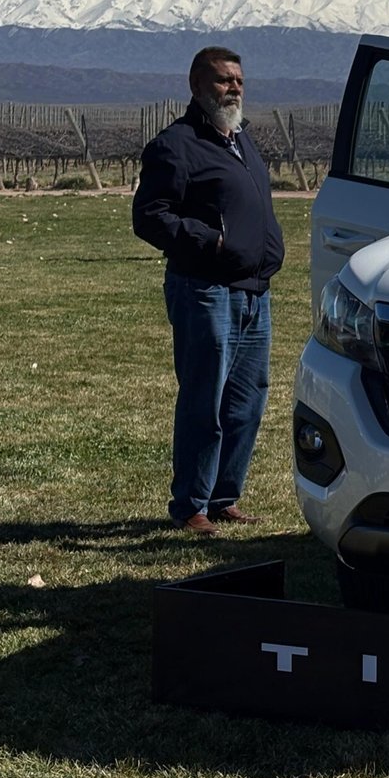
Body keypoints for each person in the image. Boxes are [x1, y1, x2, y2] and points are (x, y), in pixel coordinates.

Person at [133, 47, 284, 535]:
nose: (233, 88)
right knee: (205, 399)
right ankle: (191, 504)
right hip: (205, 289)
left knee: (247, 400)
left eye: (238, 80)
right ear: (197, 86)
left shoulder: (241, 140)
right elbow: (149, 216)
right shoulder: (176, 145)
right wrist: (210, 241)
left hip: (253, 292)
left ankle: (223, 497)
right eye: (222, 80)